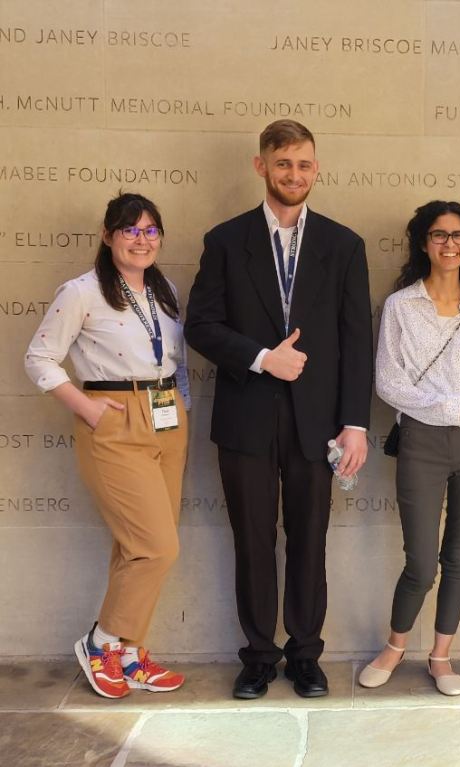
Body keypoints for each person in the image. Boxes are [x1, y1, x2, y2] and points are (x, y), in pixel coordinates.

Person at [185, 119, 372, 699]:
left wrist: (356, 423)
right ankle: (259, 656)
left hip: (319, 423)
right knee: (252, 540)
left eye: (304, 164)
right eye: (283, 163)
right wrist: (263, 358)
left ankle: (306, 654)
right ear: (261, 165)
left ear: (317, 169)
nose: (294, 174)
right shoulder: (225, 240)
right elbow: (200, 326)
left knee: (310, 538)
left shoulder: (344, 245)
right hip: (246, 419)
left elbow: (356, 341)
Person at [25, 192, 190, 698]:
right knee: (157, 547)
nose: (141, 240)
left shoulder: (164, 290)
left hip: (166, 418)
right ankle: (101, 643)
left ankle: (131, 654)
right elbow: (39, 358)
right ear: (107, 235)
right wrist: (88, 407)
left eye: (150, 230)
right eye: (129, 230)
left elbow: (176, 359)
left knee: (135, 547)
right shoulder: (82, 292)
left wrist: (181, 406)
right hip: (114, 419)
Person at [357, 201, 460, 696]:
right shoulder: (401, 306)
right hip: (422, 440)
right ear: (423, 243)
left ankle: (441, 656)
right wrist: (452, 406)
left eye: (459, 235)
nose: (450, 244)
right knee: (421, 563)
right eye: (439, 235)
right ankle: (394, 647)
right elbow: (388, 383)